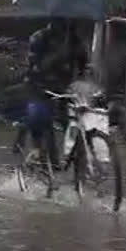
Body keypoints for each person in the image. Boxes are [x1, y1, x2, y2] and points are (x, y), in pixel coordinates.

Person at [13, 18, 89, 165]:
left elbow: (83, 63)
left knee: (72, 119)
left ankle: (76, 156)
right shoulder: (40, 37)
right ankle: (38, 150)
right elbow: (33, 64)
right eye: (61, 24)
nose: (64, 28)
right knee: (40, 117)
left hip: (65, 85)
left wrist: (83, 77)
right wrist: (54, 59)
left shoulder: (74, 40)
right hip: (41, 84)